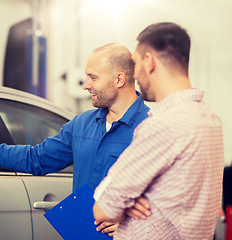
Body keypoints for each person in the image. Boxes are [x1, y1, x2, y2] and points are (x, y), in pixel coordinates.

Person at [0, 43, 150, 236]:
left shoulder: (152, 128)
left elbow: (171, 195)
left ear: (119, 79)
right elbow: (36, 158)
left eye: (93, 78)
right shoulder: (81, 124)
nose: (85, 85)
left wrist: (133, 222)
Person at [92, 22, 224, 240]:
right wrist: (133, 200)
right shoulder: (210, 120)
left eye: (134, 63)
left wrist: (125, 201)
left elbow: (104, 207)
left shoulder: (163, 125)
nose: (134, 74)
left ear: (149, 61)